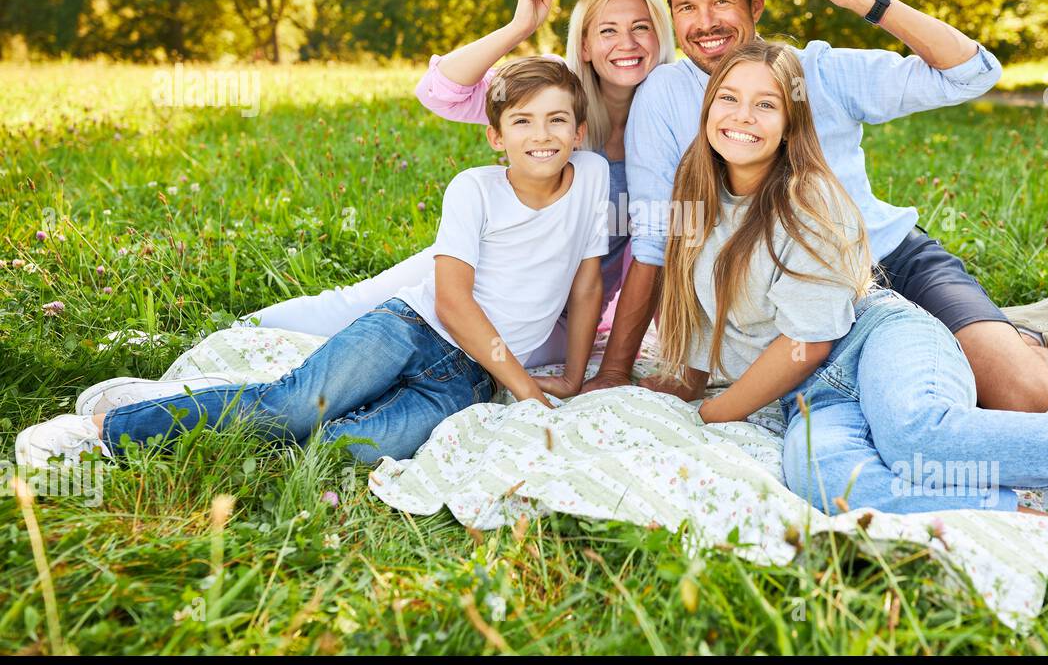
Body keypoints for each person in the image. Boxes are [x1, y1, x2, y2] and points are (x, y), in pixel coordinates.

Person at [652, 40, 1048, 579]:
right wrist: (683, 381)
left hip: (873, 338)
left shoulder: (807, 199)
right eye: (728, 98)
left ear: (792, 125)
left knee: (915, 433)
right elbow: (704, 313)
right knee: (832, 483)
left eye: (766, 104)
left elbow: (807, 344)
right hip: (811, 397)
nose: (742, 116)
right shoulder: (694, 192)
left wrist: (717, 410)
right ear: (707, 109)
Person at [583, 0, 1048, 413]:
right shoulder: (664, 94)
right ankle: (1002, 332)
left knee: (1019, 392)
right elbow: (661, 237)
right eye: (687, 6)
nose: (705, 22)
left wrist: (870, 2)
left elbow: (972, 74)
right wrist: (613, 373)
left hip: (883, 261)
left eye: (722, 2)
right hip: (779, 298)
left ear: (756, 5)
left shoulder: (822, 71)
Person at [17, 58, 609, 467]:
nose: (543, 135)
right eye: (523, 121)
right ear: (495, 137)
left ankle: (186, 402)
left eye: (558, 119)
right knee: (292, 408)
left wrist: (576, 375)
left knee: (342, 449)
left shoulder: (594, 179)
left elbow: (585, 288)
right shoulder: (474, 189)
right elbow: (453, 300)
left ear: (580, 131)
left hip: (470, 379)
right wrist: (527, 389)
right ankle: (101, 432)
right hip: (411, 329)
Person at [227, 0, 675, 366]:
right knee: (355, 306)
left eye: (641, 28)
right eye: (608, 30)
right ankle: (227, 331)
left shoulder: (675, 118)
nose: (627, 44)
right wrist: (519, 27)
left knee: (452, 350)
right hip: (480, 263)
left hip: (554, 314)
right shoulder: (556, 92)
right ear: (585, 44)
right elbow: (442, 92)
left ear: (660, 36)